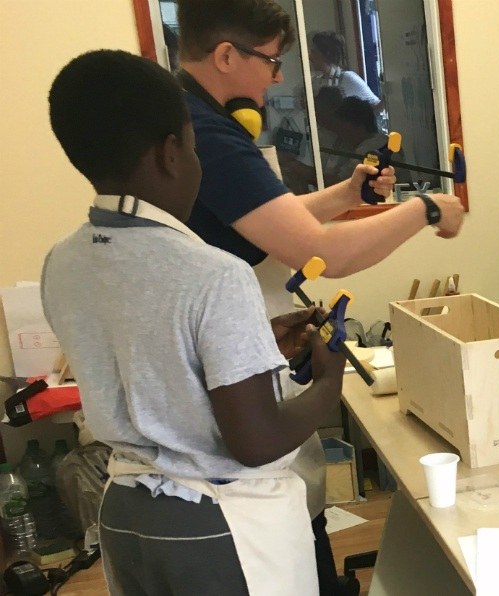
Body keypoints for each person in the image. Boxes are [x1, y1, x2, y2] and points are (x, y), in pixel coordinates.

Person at [173, 1, 463, 593]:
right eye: (270, 60)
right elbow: (326, 256)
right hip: (226, 454)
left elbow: (265, 220)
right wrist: (426, 209)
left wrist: (346, 194)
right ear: (226, 56)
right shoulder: (213, 137)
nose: (278, 76)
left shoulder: (193, 118)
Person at [43, 49, 343, 595]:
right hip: (217, 525)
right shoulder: (214, 273)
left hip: (127, 514)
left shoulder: (63, 261)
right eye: (195, 147)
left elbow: (150, 355)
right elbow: (256, 441)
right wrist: (329, 382)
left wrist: (253, 344)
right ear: (171, 153)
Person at [308, 31, 382, 109]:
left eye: (313, 52)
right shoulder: (317, 82)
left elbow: (378, 106)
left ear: (326, 54)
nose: (309, 57)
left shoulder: (346, 78)